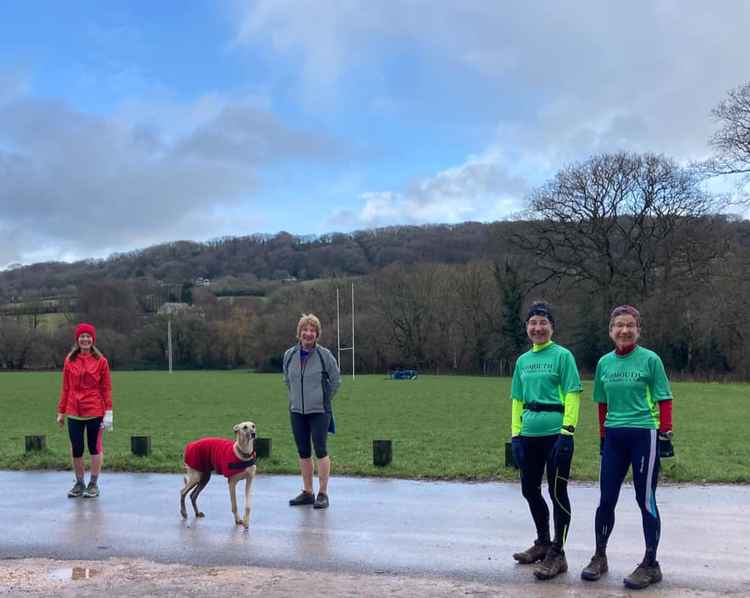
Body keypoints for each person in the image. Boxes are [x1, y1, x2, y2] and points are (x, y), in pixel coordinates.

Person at [581, 305, 674, 590]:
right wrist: (602, 437)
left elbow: (665, 398)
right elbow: (602, 404)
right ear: (611, 331)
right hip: (613, 437)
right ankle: (599, 556)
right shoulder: (604, 363)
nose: (624, 330)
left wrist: (665, 434)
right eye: (618, 325)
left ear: (638, 330)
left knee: (645, 500)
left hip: (643, 434)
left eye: (629, 325)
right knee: (606, 499)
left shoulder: (650, 360)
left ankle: (650, 564)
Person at [509, 301, 583, 580]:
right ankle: (542, 543)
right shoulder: (522, 361)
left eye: (543, 322)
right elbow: (517, 400)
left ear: (552, 327)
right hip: (528, 435)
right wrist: (516, 434)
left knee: (557, 493)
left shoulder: (562, 356)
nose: (538, 328)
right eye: (533, 323)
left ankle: (558, 553)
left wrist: (567, 431)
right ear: (527, 328)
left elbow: (573, 393)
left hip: (556, 435)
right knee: (529, 490)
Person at [283, 313, 341, 509]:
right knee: (303, 451)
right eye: (305, 330)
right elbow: (287, 380)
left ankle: (323, 493)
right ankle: (308, 492)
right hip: (297, 410)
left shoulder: (325, 356)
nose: (308, 334)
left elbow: (335, 380)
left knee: (321, 449)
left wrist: (323, 399)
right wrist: (295, 399)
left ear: (317, 334)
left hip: (319, 410)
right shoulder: (289, 355)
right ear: (299, 333)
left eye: (312, 330)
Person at [56, 323, 113, 498]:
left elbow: (106, 388)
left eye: (88, 336)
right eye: (82, 336)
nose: (85, 339)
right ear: (77, 339)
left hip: (95, 410)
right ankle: (79, 484)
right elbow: (65, 387)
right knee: (77, 449)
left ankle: (93, 484)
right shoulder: (69, 360)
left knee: (94, 448)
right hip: (74, 411)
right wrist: (61, 411)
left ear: (93, 340)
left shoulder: (101, 361)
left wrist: (109, 412)